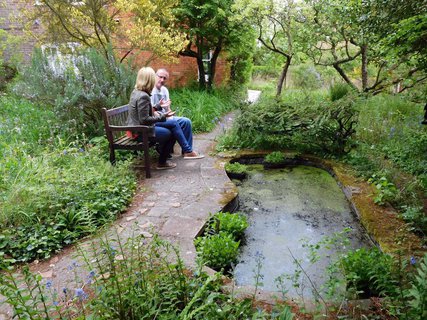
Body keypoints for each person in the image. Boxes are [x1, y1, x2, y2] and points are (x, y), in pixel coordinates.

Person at [126, 67, 177, 170]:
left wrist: (158, 106)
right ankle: (162, 162)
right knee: (170, 134)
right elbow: (144, 119)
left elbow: (142, 112)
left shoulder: (136, 92)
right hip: (140, 132)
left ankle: (163, 156)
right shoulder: (143, 96)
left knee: (171, 127)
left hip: (135, 129)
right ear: (149, 80)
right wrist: (163, 116)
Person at [151, 68, 204, 159]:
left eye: (165, 78)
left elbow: (167, 107)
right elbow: (151, 111)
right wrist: (165, 117)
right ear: (155, 76)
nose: (162, 80)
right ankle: (186, 150)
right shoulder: (151, 90)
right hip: (155, 119)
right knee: (174, 124)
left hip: (165, 117)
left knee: (186, 121)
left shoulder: (164, 90)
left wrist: (171, 114)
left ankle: (186, 152)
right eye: (160, 77)